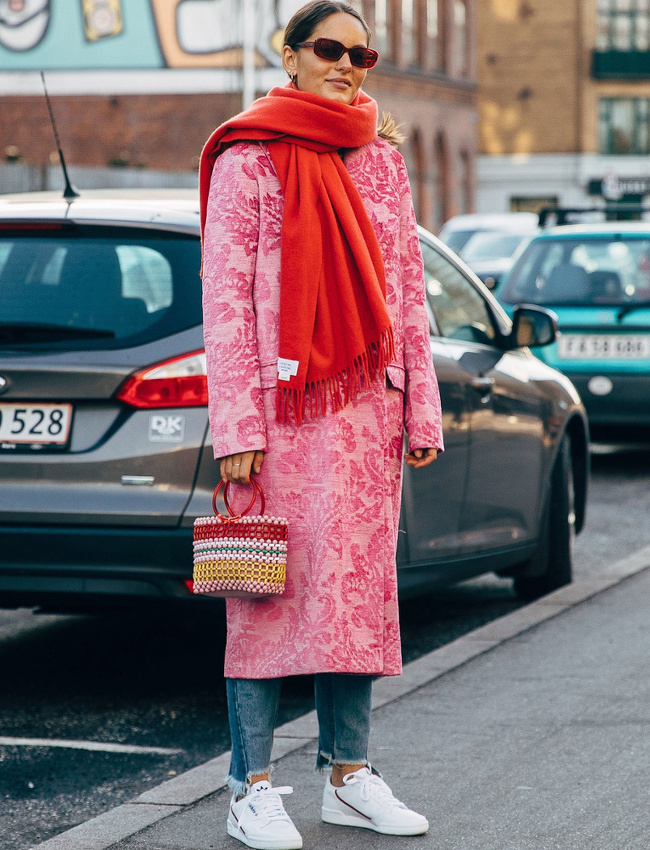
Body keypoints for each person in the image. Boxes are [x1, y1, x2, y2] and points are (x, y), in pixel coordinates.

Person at [199, 2, 444, 847]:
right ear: (292, 55)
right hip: (281, 417)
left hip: (368, 414)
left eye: (361, 54)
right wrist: (237, 428)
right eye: (330, 49)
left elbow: (406, 291)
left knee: (356, 601)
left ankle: (348, 777)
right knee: (263, 595)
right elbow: (226, 300)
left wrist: (420, 405)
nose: (346, 64)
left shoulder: (381, 161)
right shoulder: (249, 157)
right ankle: (249, 788)